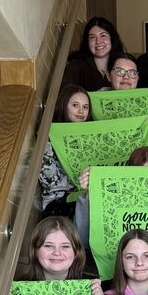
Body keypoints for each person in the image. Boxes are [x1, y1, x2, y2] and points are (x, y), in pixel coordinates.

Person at [39, 85, 91, 216]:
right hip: (57, 201)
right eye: (75, 105)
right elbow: (48, 181)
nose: (81, 111)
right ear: (63, 106)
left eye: (85, 107)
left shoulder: (92, 140)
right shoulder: (49, 137)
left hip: (85, 196)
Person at [63, 17, 126, 92]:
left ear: (112, 39)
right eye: (92, 37)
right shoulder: (76, 65)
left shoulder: (124, 64)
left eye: (103, 36)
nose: (98, 41)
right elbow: (67, 95)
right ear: (87, 42)